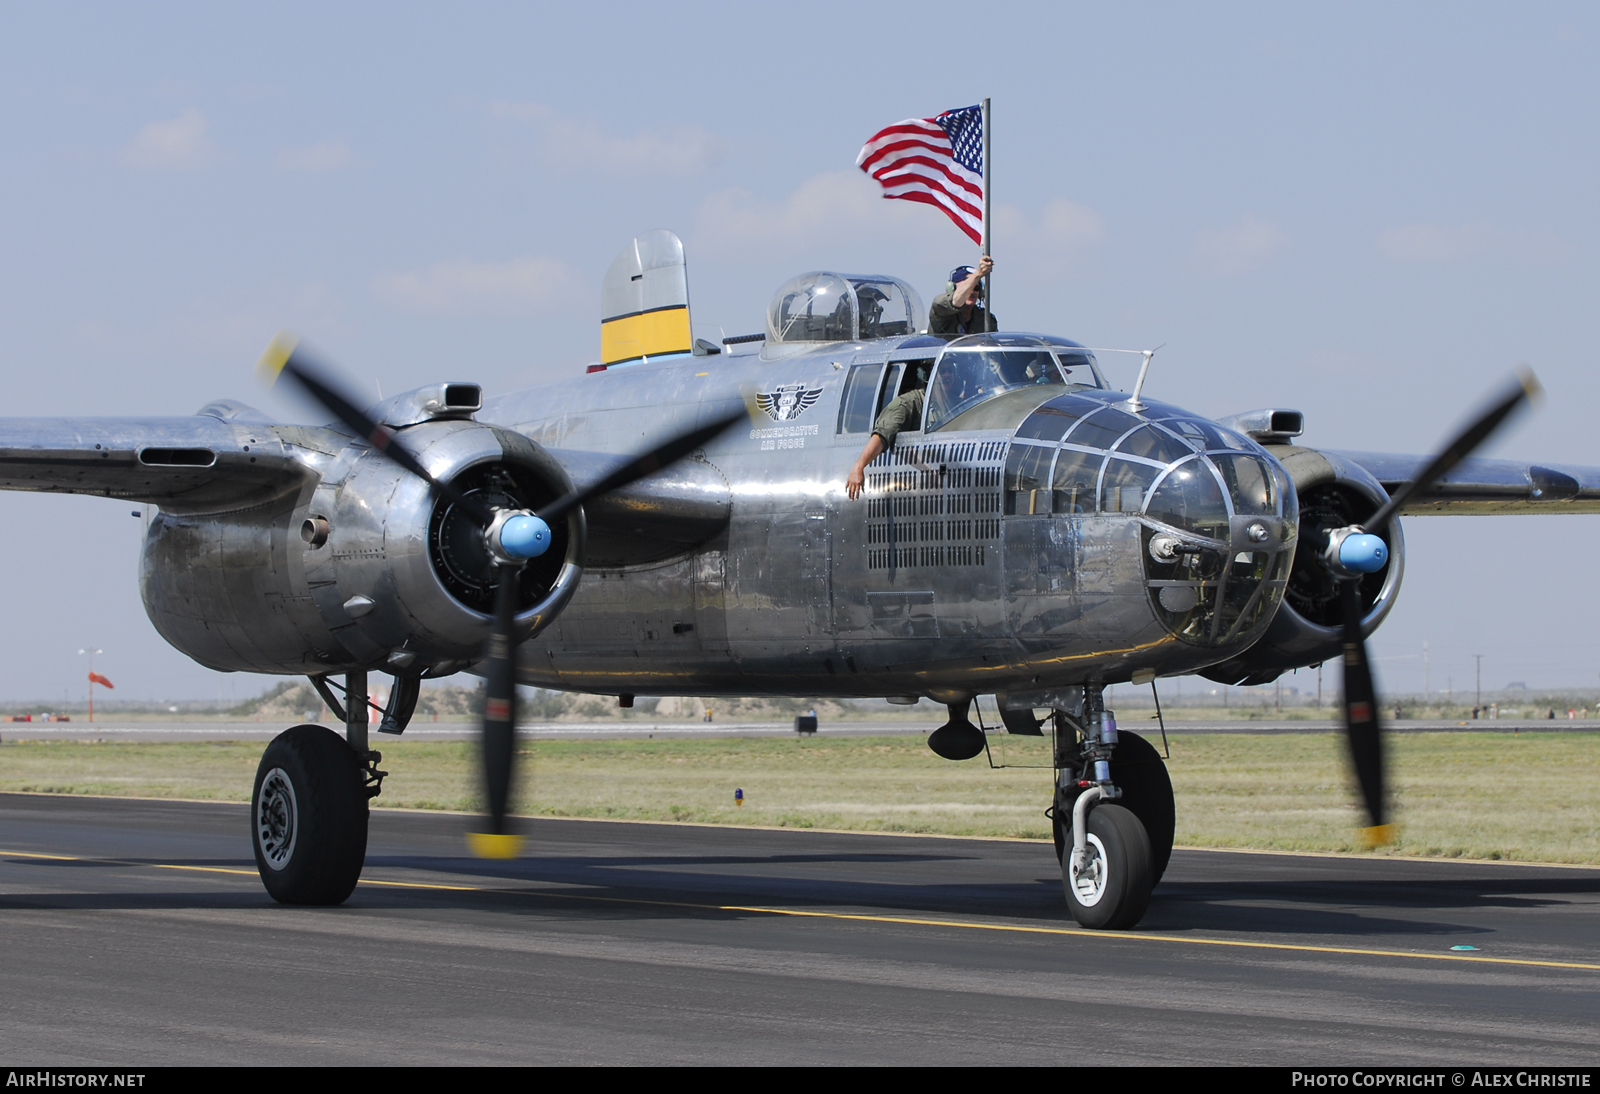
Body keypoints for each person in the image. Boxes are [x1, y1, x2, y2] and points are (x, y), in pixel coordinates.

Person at [844, 364, 931, 500]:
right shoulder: (909, 402)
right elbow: (883, 434)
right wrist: (859, 466)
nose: (947, 376)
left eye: (951, 371)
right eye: (943, 371)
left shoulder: (954, 400)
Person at [929, 256, 997, 337]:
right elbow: (956, 301)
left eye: (976, 288)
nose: (971, 292)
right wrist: (979, 273)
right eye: (966, 288)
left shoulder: (986, 320)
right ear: (952, 288)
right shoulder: (940, 306)